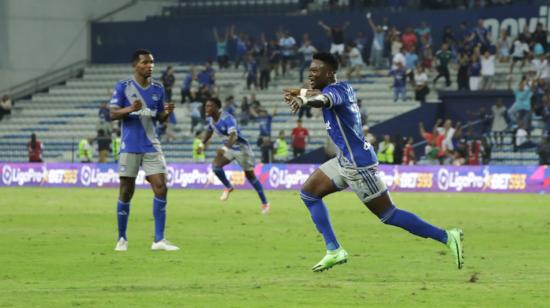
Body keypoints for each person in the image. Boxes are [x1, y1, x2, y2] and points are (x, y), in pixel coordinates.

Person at [283, 52, 463, 272]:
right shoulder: (342, 87)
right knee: (309, 194)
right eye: (309, 70)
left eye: (315, 70)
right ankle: (334, 250)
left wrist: (303, 99)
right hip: (345, 159)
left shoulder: (334, 93)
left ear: (329, 73)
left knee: (388, 214)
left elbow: (322, 99)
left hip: (358, 166)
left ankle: (446, 236)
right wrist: (300, 92)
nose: (310, 74)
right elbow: (318, 94)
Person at [109, 49, 179, 252]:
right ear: (135, 65)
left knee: (161, 186)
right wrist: (130, 109)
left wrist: (166, 113)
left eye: (152, 63)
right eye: (146, 62)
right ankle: (122, 238)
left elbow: (158, 118)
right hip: (130, 145)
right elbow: (113, 114)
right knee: (126, 191)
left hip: (151, 144)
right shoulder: (123, 86)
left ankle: (159, 240)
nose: (150, 66)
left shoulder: (158, 88)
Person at [199, 97, 270, 214]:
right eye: (206, 106)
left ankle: (265, 203)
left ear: (217, 108)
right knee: (216, 167)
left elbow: (233, 136)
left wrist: (224, 148)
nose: (206, 108)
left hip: (242, 150)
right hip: (230, 149)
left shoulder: (228, 118)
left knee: (250, 176)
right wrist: (202, 144)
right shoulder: (212, 120)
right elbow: (209, 131)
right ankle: (228, 186)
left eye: (209, 106)